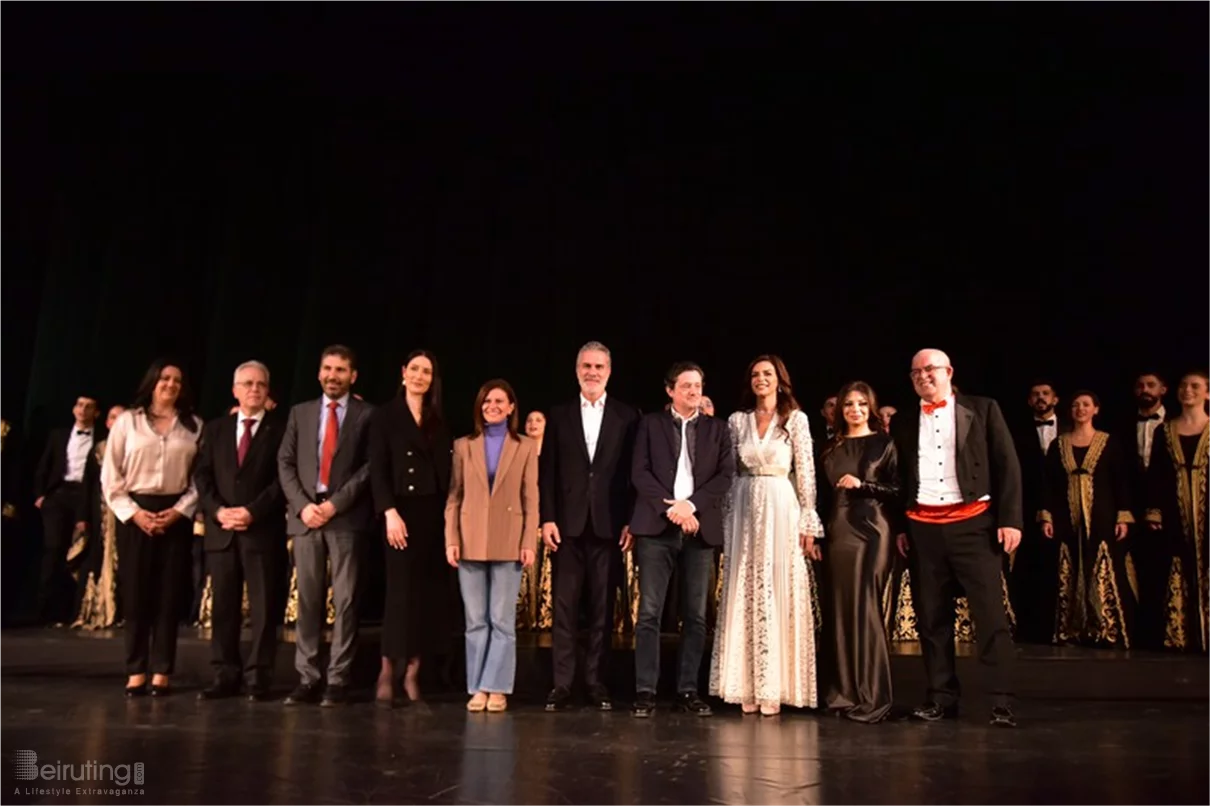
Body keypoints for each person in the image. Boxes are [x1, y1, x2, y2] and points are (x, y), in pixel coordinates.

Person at [891, 349, 1022, 727]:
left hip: (973, 524)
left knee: (989, 615)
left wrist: (1011, 520)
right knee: (932, 618)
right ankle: (941, 697)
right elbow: (900, 478)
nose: (922, 376)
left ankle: (1000, 700)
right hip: (922, 527)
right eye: (915, 372)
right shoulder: (902, 421)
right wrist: (902, 527)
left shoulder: (982, 409)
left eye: (929, 369)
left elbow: (1007, 465)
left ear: (948, 371)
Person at [710, 355, 823, 716]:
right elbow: (728, 473)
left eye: (767, 374)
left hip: (780, 505)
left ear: (780, 380)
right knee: (745, 586)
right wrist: (726, 520)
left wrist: (809, 520)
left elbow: (805, 473)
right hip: (744, 506)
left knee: (777, 587)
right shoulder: (737, 421)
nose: (761, 379)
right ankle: (744, 683)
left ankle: (776, 684)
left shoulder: (796, 420)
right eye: (755, 374)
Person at [630, 361, 734, 718]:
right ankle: (645, 690)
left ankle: (687, 690)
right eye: (686, 386)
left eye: (698, 385)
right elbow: (639, 472)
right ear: (670, 390)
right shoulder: (650, 424)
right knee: (649, 613)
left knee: (695, 615)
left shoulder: (718, 430)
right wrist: (671, 510)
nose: (693, 391)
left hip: (699, 529)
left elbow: (724, 476)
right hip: (657, 528)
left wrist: (691, 507)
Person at [541, 342, 640, 712]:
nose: (592, 372)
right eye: (586, 365)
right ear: (576, 370)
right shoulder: (560, 414)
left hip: (609, 526)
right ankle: (562, 683)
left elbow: (634, 475)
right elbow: (546, 471)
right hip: (566, 527)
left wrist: (632, 519)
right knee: (564, 610)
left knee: (601, 610)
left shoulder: (627, 416)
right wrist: (547, 517)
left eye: (599, 366)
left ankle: (596, 681)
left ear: (609, 372)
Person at [277, 345, 374, 707]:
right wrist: (304, 507)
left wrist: (334, 504)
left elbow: (368, 467)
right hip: (306, 519)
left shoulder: (367, 415)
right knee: (308, 601)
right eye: (328, 369)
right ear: (319, 373)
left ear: (353, 376)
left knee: (347, 601)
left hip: (345, 517)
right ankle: (307, 677)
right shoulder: (300, 413)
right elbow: (285, 462)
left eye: (341, 370)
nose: (333, 375)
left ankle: (338, 679)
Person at [101, 360, 203, 696]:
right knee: (137, 594)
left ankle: (162, 670)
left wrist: (179, 511)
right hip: (136, 513)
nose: (171, 384)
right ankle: (135, 669)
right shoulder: (129, 422)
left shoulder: (193, 426)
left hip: (175, 514)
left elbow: (199, 480)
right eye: (164, 378)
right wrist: (133, 513)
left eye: (177, 380)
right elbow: (111, 476)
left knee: (168, 594)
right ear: (152, 382)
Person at [194, 361, 287, 701]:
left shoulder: (281, 430)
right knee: (224, 607)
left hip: (260, 530)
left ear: (268, 391)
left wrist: (252, 512)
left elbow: (282, 481)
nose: (254, 389)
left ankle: (258, 677)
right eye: (247, 383)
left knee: (263, 609)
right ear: (235, 390)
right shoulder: (217, 429)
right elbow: (202, 476)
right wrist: (218, 510)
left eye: (261, 384)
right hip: (222, 531)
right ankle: (224, 674)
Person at [445, 380, 539, 712]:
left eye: (499, 401)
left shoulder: (525, 446)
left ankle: (496, 687)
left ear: (512, 407)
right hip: (469, 539)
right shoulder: (463, 445)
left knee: (500, 619)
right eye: (487, 402)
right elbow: (454, 498)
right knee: (475, 620)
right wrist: (451, 539)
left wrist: (529, 541)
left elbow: (531, 498)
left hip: (509, 540)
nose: (492, 406)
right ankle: (477, 688)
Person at [368, 350, 453, 707]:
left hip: (432, 515)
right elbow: (378, 468)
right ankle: (388, 669)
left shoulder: (438, 419)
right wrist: (388, 511)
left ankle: (413, 673)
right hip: (399, 513)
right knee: (398, 594)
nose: (420, 376)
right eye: (415, 369)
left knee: (427, 596)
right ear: (403, 372)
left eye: (427, 371)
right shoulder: (384, 416)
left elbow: (446, 475)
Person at [818, 381, 900, 723]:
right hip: (838, 530)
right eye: (849, 404)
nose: (855, 409)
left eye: (862, 404)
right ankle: (843, 694)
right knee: (838, 609)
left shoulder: (884, 443)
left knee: (866, 607)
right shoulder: (829, 449)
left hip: (872, 528)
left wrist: (862, 484)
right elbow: (820, 497)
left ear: (871, 408)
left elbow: (897, 489)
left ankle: (873, 698)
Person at [1039, 391, 1135, 647]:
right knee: (1069, 564)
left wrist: (1123, 516)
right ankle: (1071, 629)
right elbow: (1048, 484)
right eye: (1075, 405)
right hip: (1065, 514)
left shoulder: (1109, 442)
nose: (1080, 409)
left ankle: (1105, 629)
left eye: (1086, 405)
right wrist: (1046, 516)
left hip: (1101, 513)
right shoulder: (1059, 444)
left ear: (1096, 409)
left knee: (1101, 563)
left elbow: (1120, 482)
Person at [1145, 369, 1210, 652]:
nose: (1188, 390)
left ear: (1207, 393)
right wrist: (1154, 511)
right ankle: (1182, 635)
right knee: (1178, 563)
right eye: (1184, 385)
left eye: (1195, 386)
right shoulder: (1165, 430)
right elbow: (1157, 474)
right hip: (1175, 509)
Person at [33, 395, 101, 624]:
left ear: (96, 413)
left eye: (89, 407)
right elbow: (45, 464)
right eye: (80, 405)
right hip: (59, 495)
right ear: (74, 409)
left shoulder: (101, 440)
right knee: (53, 549)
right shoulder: (58, 435)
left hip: (84, 496)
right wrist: (41, 495)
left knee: (79, 554)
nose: (83, 410)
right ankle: (44, 613)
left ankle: (72, 612)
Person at [74, 405, 126, 630]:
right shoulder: (98, 450)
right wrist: (83, 516)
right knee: (96, 557)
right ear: (107, 422)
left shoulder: (134, 448)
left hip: (125, 515)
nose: (117, 421)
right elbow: (88, 487)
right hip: (101, 515)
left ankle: (122, 611)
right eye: (113, 417)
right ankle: (94, 608)